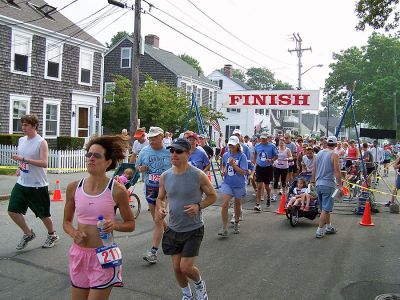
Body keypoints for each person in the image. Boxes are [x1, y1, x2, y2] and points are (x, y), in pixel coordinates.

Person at [63, 135, 135, 299]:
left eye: (97, 156)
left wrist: (114, 225)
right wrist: (74, 233)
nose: (91, 159)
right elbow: (66, 222)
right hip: (79, 255)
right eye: (89, 155)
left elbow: (130, 224)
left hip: (104, 255)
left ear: (108, 162)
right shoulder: (74, 187)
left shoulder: (117, 190)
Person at [157, 138, 217, 300]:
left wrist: (198, 206)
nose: (174, 154)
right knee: (177, 268)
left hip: (193, 228)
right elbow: (160, 198)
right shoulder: (165, 176)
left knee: (185, 267)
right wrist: (161, 207)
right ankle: (187, 295)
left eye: (178, 151)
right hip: (173, 229)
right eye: (172, 151)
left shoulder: (198, 175)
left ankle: (199, 284)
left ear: (188, 153)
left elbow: (212, 196)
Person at [8, 114, 59, 250]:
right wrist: (20, 167)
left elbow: (44, 163)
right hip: (22, 183)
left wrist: (23, 159)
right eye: (22, 124)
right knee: (12, 211)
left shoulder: (41, 142)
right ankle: (28, 233)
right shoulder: (21, 140)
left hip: (37, 185)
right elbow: (23, 161)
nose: (23, 127)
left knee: (43, 214)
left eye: (26, 125)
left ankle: (52, 234)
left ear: (34, 126)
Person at [136, 127, 172, 264]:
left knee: (158, 219)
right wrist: (141, 168)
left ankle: (153, 252)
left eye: (154, 137)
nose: (151, 140)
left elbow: (178, 166)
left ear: (162, 137)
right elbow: (137, 166)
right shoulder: (144, 151)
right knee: (157, 220)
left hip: (165, 189)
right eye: (150, 138)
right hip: (150, 188)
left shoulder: (169, 151)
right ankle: (170, 233)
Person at [311, 136, 343, 239]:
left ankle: (328, 227)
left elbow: (314, 168)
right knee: (325, 208)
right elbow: (337, 172)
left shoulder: (319, 153)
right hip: (328, 184)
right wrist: (340, 185)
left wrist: (312, 181)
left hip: (319, 183)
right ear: (335, 144)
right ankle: (319, 231)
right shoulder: (334, 155)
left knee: (325, 208)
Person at [219, 136, 248, 236]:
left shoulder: (242, 156)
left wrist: (233, 165)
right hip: (228, 183)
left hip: (239, 184)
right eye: (229, 145)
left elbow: (244, 172)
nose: (230, 146)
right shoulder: (226, 155)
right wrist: (223, 171)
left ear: (237, 146)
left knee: (237, 204)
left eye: (232, 145)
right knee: (224, 204)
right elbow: (223, 165)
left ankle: (236, 222)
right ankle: (224, 227)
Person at [253, 132, 278, 211]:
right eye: (261, 138)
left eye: (264, 138)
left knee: (267, 186)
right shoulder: (257, 145)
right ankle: (258, 204)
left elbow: (276, 156)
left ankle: (268, 197)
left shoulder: (272, 146)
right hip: (259, 167)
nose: (262, 140)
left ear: (268, 138)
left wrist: (271, 160)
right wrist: (255, 162)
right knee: (259, 186)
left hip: (268, 167)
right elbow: (255, 154)